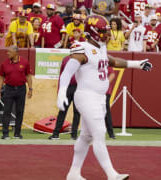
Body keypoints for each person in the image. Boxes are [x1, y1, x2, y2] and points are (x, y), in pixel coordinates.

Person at [57, 14, 152, 180]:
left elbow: (113, 61)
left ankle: (73, 173)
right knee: (99, 133)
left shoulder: (100, 48)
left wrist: (137, 64)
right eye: (102, 31)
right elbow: (67, 71)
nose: (106, 35)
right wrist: (62, 91)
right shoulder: (82, 48)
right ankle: (112, 174)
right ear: (92, 31)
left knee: (86, 136)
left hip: (99, 97)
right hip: (87, 96)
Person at [0, 46, 33, 139]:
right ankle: (5, 133)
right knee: (6, 111)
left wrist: (30, 89)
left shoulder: (24, 62)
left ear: (16, 53)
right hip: (9, 89)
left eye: (9, 52)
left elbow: (28, 76)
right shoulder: (4, 64)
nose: (7, 53)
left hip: (21, 89)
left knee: (20, 112)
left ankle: (17, 133)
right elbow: (1, 78)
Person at [49, 56, 81, 140]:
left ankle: (74, 135)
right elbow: (61, 74)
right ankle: (56, 133)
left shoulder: (83, 58)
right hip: (67, 86)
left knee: (77, 112)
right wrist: (60, 89)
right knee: (62, 110)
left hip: (79, 87)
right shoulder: (66, 59)